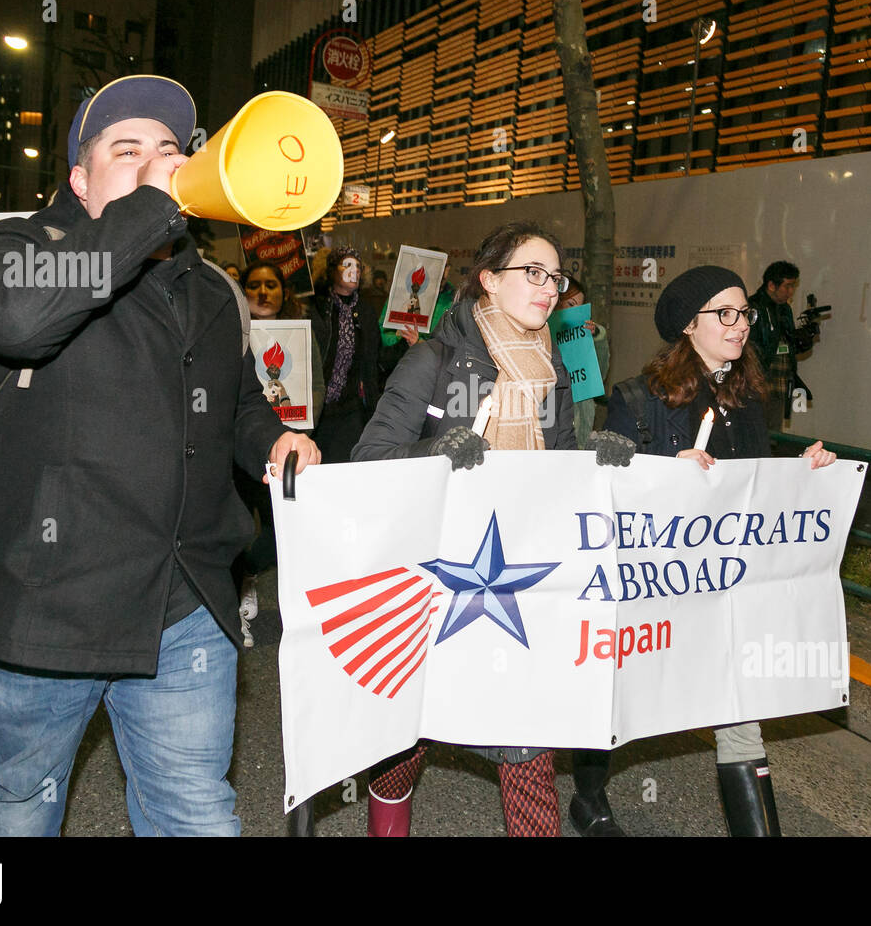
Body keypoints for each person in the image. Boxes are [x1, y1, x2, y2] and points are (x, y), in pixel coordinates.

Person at [0, 74, 320, 837]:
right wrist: (150, 206)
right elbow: (20, 322)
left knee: (193, 810)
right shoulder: (16, 248)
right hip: (48, 601)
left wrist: (271, 440)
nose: (159, 164)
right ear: (80, 180)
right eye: (127, 151)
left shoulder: (213, 290)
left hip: (182, 603)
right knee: (26, 801)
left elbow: (239, 402)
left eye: (171, 151)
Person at [352, 220, 631, 836]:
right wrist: (434, 451)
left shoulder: (552, 370)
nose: (548, 288)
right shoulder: (433, 359)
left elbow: (557, 473)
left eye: (554, 276)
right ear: (487, 280)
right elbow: (367, 462)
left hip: (517, 580)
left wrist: (598, 459)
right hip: (430, 579)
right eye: (532, 273)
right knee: (412, 735)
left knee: (524, 741)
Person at [595, 265, 836, 837]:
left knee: (739, 706)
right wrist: (661, 474)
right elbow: (605, 485)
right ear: (687, 324)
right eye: (723, 314)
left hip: (727, 585)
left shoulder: (749, 395)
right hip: (656, 590)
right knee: (620, 695)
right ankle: (588, 795)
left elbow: (754, 483)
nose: (739, 325)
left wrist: (802, 477)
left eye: (743, 314)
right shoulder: (639, 395)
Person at [235, 261, 326, 647]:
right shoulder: (230, 332)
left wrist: (298, 429)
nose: (262, 292)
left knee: (279, 533)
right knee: (239, 527)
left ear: (283, 291)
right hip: (241, 453)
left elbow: (316, 386)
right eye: (254, 285)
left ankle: (252, 576)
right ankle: (235, 602)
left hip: (289, 453)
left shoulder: (303, 333)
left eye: (271, 284)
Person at [309, 245, 379, 462]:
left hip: (350, 407)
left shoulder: (366, 311)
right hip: (318, 407)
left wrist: (408, 344)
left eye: (358, 266)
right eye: (347, 264)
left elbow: (376, 358)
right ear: (330, 271)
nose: (354, 270)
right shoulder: (315, 308)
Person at [551, 277, 608, 449]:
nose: (576, 312)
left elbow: (599, 375)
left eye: (580, 307)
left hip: (580, 429)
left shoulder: (588, 334)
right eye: (570, 305)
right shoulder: (538, 332)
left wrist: (597, 338)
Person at [748, 260, 802, 431]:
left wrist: (801, 340)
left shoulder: (785, 309)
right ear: (771, 285)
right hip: (759, 379)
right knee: (757, 430)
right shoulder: (753, 307)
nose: (791, 291)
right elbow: (750, 346)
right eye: (788, 286)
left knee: (774, 433)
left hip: (780, 379)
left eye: (793, 286)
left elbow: (787, 342)